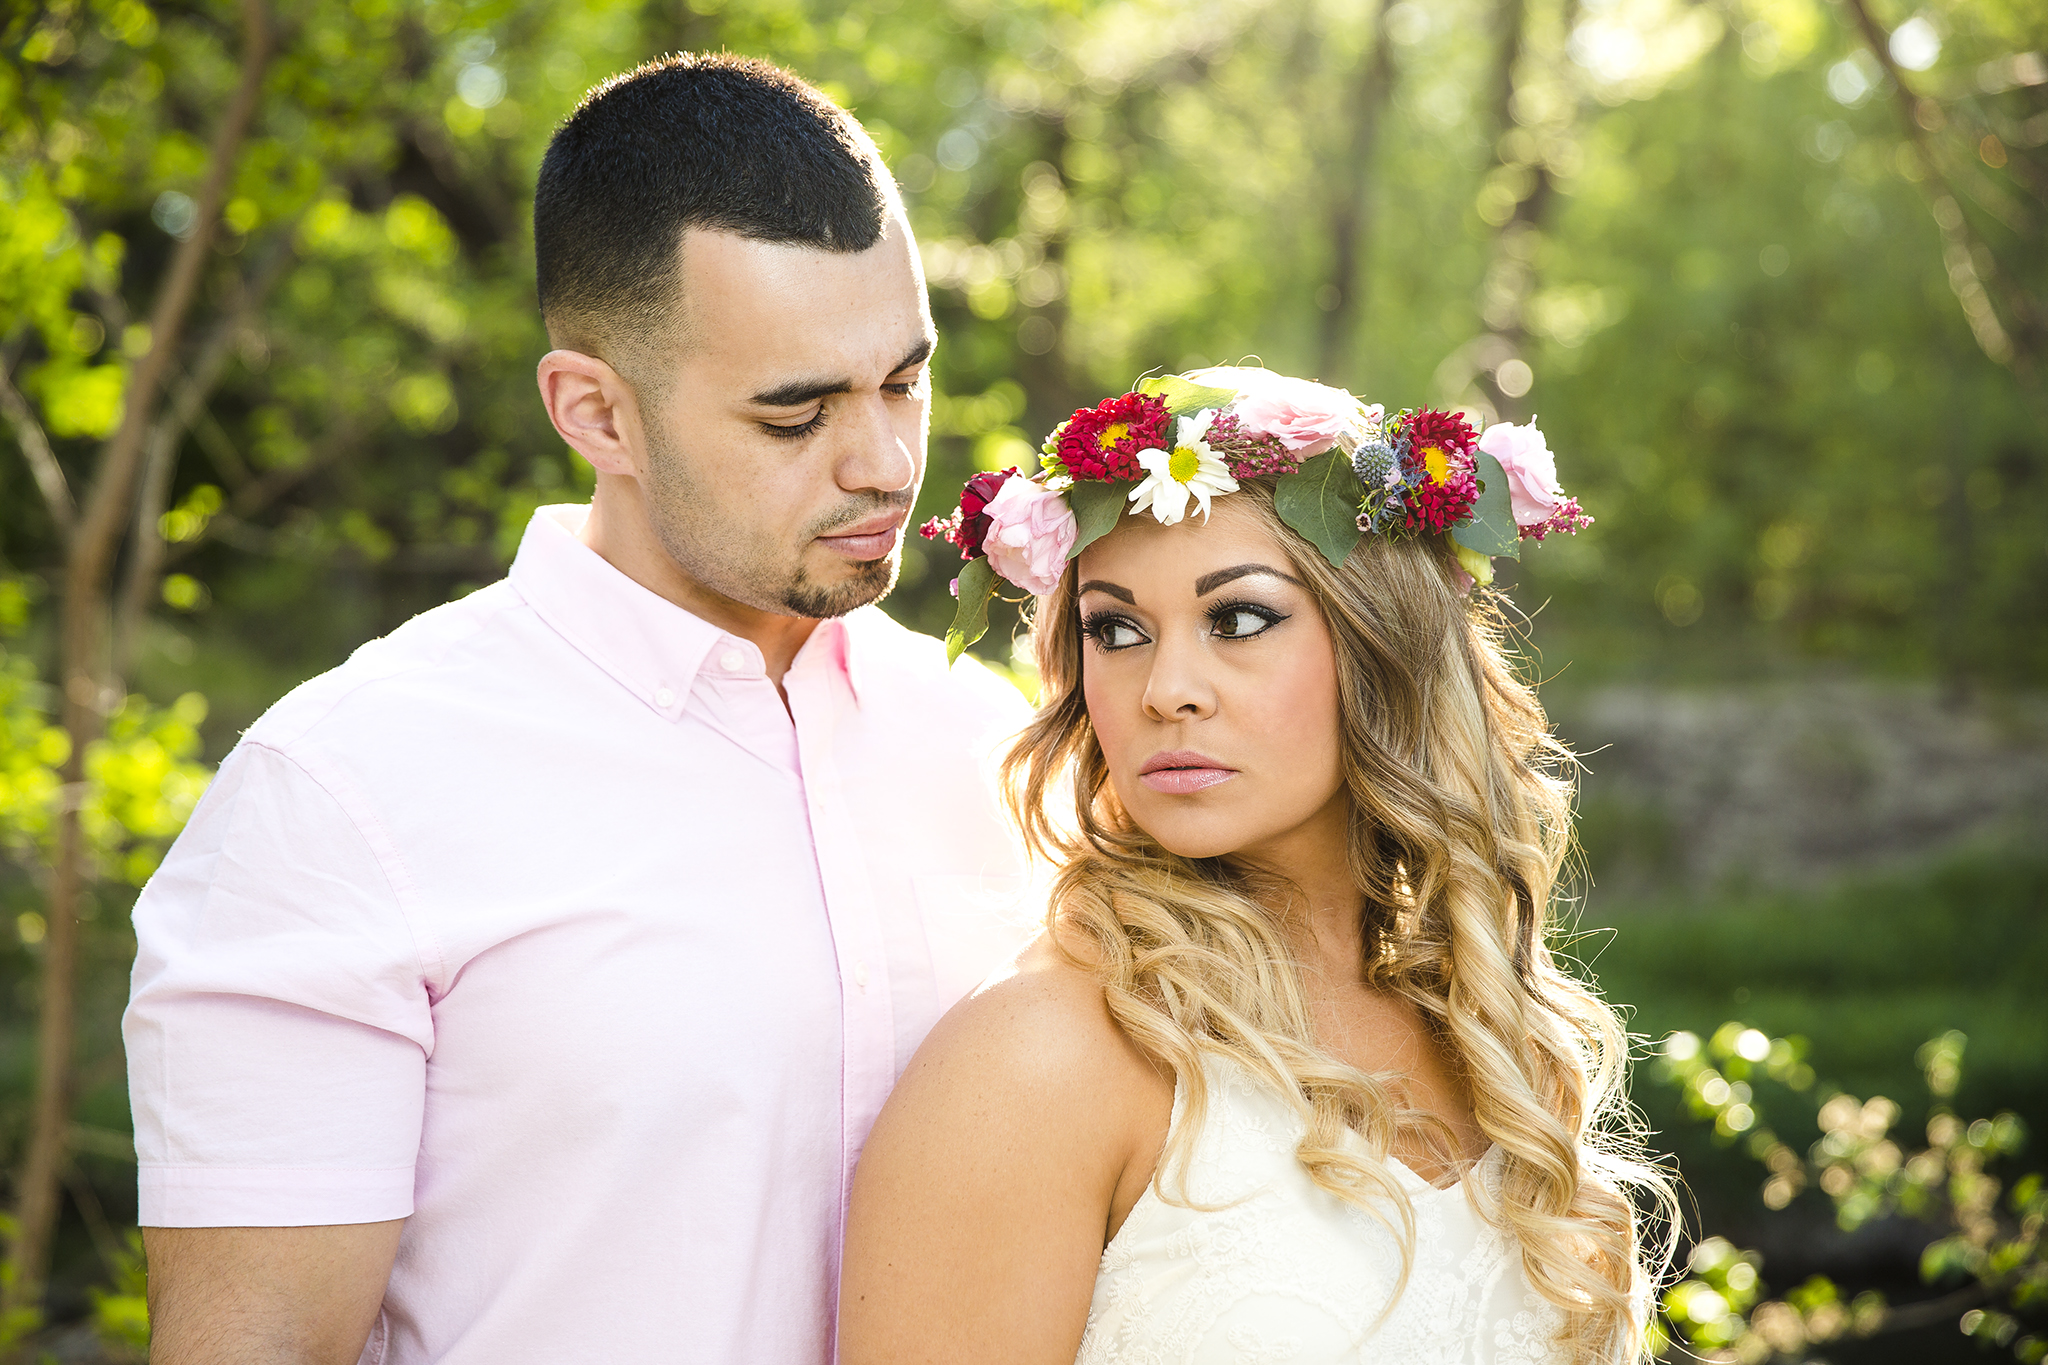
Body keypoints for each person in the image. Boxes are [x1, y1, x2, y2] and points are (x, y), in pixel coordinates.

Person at [125, 54, 1033, 1364]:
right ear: (597, 412)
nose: (887, 461)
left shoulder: (993, 744)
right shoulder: (344, 792)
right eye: (797, 413)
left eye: (904, 379)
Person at [840, 367, 1675, 1363]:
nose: (1165, 690)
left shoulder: (1488, 1030)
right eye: (1114, 629)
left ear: (1383, 642)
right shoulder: (1042, 1060)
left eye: (1235, 620)